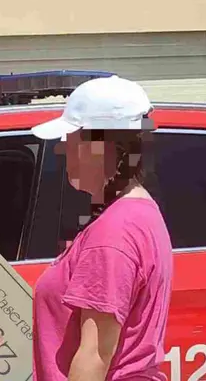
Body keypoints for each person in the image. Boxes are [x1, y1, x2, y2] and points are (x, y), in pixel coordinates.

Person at [30, 76, 173, 381]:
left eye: (71, 138)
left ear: (99, 146)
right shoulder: (138, 213)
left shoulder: (114, 232)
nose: (64, 148)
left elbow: (94, 356)